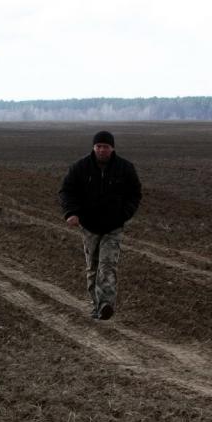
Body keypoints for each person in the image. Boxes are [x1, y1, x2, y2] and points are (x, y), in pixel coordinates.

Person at [58, 130, 142, 320]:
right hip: (89, 226)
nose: (102, 150)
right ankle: (97, 305)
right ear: (93, 147)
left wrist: (124, 214)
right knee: (93, 268)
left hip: (113, 227)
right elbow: (66, 191)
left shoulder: (125, 168)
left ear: (112, 148)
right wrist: (71, 213)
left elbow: (135, 194)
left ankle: (106, 304)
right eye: (99, 146)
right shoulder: (80, 168)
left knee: (108, 265)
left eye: (106, 146)